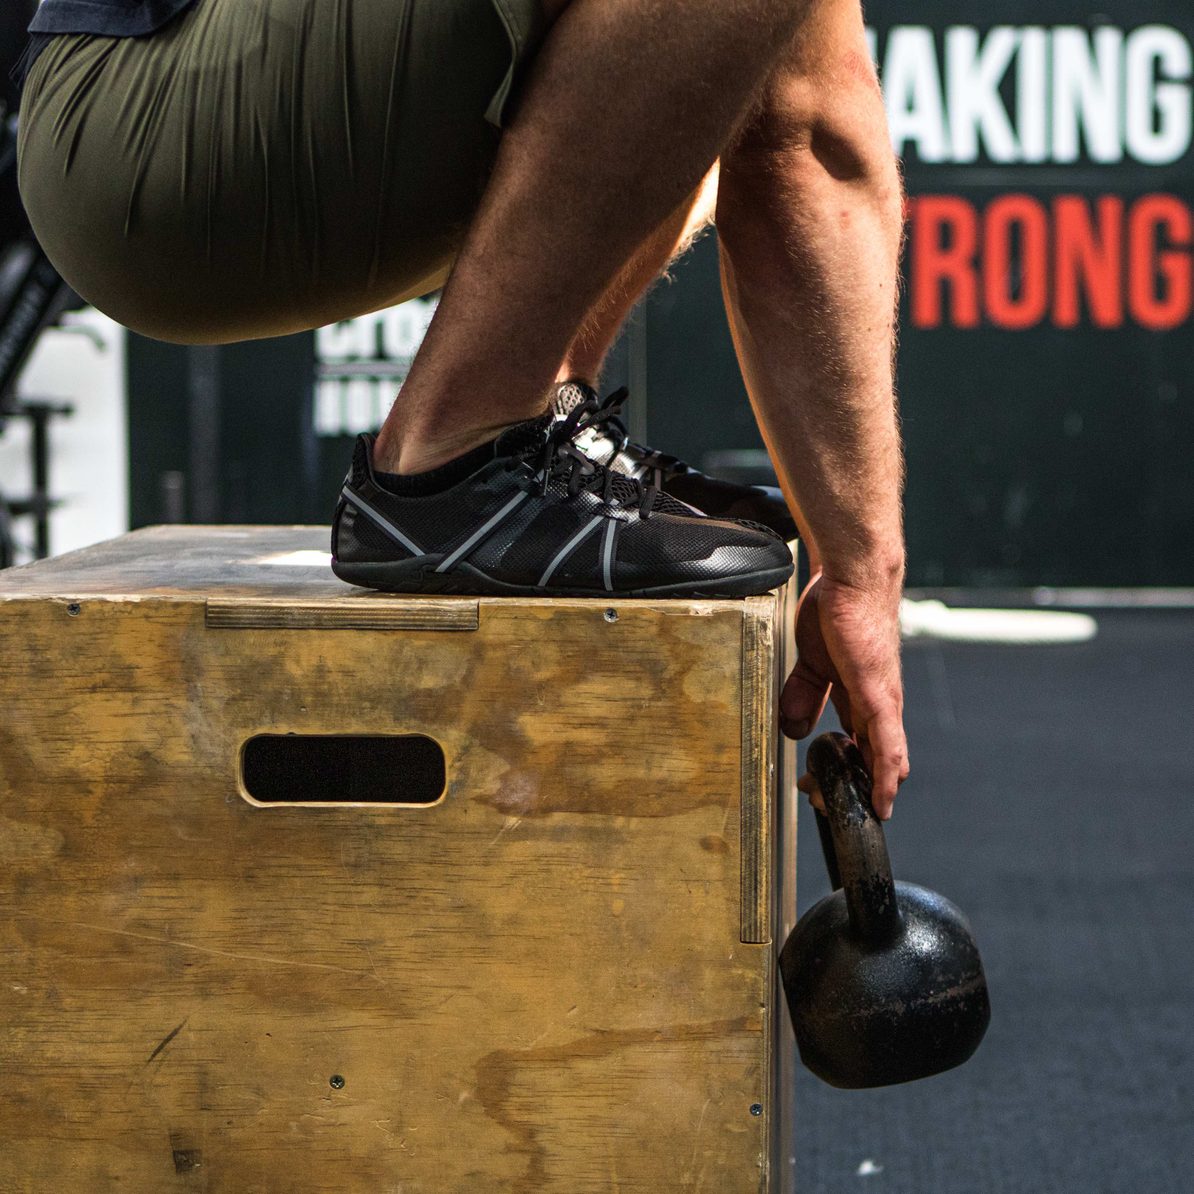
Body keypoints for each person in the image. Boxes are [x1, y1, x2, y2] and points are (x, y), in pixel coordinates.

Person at [15, 0, 910, 815]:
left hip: (237, 114)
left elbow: (813, 120)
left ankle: (532, 431)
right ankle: (458, 455)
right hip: (148, 99)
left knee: (755, 40)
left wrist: (863, 571)